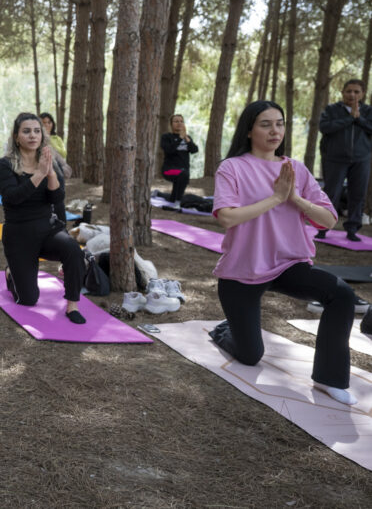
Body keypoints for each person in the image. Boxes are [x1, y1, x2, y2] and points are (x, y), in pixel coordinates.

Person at [210, 100, 359, 405]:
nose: (275, 130)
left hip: (289, 264)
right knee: (250, 356)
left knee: (342, 295)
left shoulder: (296, 170)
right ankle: (225, 330)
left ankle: (329, 378)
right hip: (243, 270)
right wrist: (276, 198)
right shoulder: (233, 168)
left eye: (280, 123)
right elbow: (226, 217)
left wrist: (295, 199)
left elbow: (329, 219)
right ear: (249, 130)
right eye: (266, 124)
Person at [0, 113, 86, 324]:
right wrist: (38, 174)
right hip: (19, 234)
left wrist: (51, 173)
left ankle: (72, 305)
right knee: (28, 299)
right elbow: (12, 198)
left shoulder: (48, 161)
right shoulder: (5, 164)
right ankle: (11, 274)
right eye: (26, 131)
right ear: (17, 137)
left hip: (47, 230)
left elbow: (57, 198)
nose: (32, 135)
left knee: (73, 250)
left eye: (37, 131)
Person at [318, 79, 372, 241]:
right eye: (349, 91)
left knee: (357, 194)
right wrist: (350, 118)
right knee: (331, 194)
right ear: (342, 93)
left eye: (356, 91)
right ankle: (323, 227)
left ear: (362, 94)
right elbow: (325, 127)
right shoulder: (331, 109)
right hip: (335, 159)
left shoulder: (368, 111)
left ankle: (352, 230)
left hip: (361, 159)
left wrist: (359, 118)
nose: (352, 94)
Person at [157, 114, 199, 210]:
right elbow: (169, 150)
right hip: (169, 170)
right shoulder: (166, 137)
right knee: (184, 174)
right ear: (171, 124)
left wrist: (187, 139)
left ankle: (159, 194)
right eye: (176, 121)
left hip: (182, 172)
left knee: (173, 197)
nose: (179, 123)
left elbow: (194, 150)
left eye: (181, 121)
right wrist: (180, 138)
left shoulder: (187, 137)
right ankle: (178, 203)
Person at [39, 112, 72, 179]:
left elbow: (64, 154)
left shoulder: (57, 138)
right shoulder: (37, 137)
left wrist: (50, 141)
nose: (47, 125)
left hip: (58, 165)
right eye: (44, 123)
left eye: (49, 122)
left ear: (52, 124)